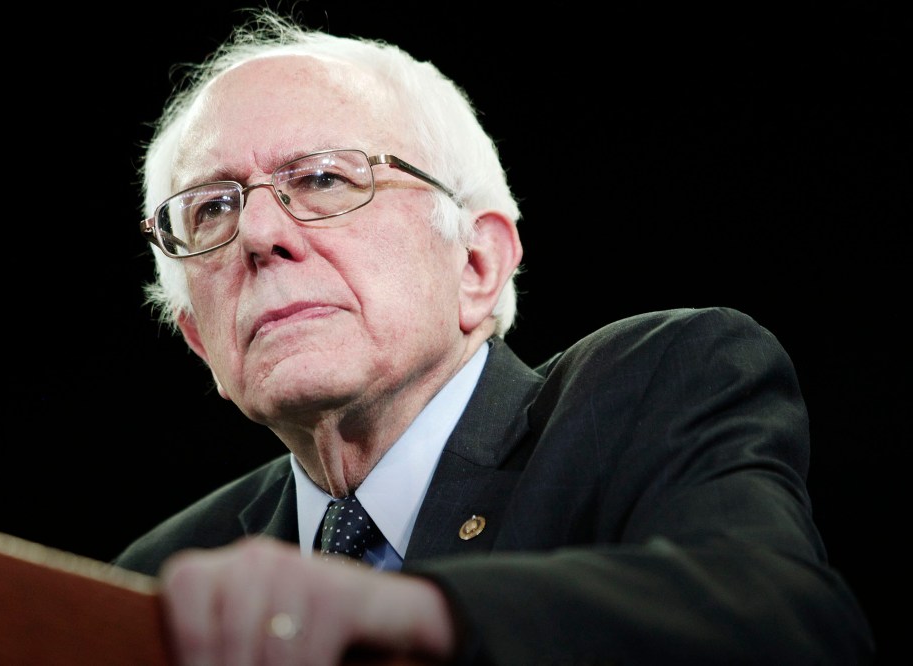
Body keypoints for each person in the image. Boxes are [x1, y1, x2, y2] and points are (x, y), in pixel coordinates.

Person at [114, 8, 875, 665]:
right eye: (211, 209)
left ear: (477, 262)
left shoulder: (655, 389)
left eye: (322, 179)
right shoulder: (156, 575)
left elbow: (787, 622)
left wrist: (404, 611)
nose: (257, 232)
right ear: (200, 340)